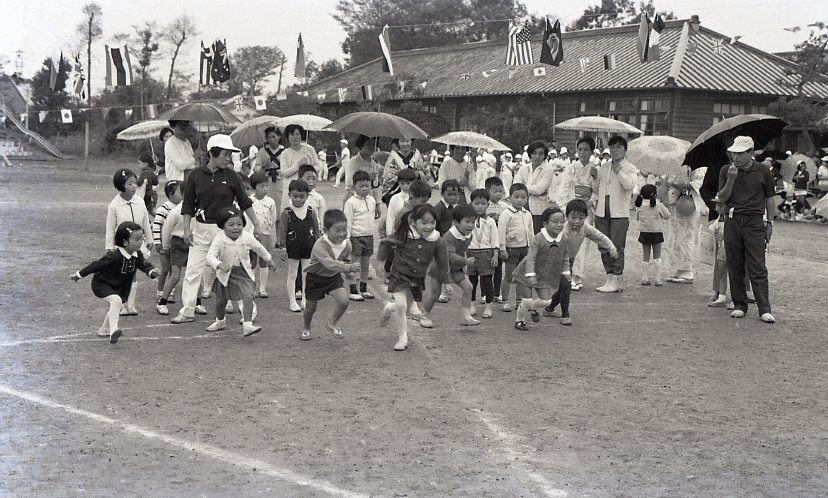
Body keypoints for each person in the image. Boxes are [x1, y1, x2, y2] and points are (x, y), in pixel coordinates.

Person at [170, 134, 263, 325]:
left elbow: (245, 202)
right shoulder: (195, 175)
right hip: (200, 230)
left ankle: (249, 312)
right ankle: (187, 311)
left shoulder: (232, 175)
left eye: (229, 155)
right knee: (193, 271)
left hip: (225, 232)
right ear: (212, 153)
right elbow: (188, 205)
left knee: (233, 271)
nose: (228, 158)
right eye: (225, 154)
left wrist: (257, 224)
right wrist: (186, 229)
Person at [717, 136, 776, 323]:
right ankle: (739, 305)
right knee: (735, 264)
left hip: (755, 221)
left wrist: (770, 223)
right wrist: (731, 180)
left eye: (740, 153)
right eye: (734, 153)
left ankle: (764, 309)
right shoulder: (726, 170)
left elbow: (769, 198)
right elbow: (722, 198)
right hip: (733, 219)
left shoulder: (763, 171)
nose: (736, 157)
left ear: (751, 153)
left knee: (757, 265)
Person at [70, 222, 160, 343]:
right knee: (116, 301)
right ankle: (113, 331)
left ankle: (104, 329)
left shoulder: (137, 255)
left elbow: (144, 265)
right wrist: (78, 275)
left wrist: (152, 272)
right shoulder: (114, 256)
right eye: (137, 239)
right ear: (125, 242)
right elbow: (95, 265)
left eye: (142, 239)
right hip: (102, 284)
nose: (140, 242)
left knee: (116, 303)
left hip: (118, 286)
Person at [377, 204, 448, 351]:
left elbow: (443, 263)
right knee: (401, 306)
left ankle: (389, 308)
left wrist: (447, 282)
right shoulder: (405, 234)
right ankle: (402, 338)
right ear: (414, 222)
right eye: (424, 222)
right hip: (399, 274)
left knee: (407, 307)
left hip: (417, 278)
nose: (429, 226)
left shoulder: (437, 240)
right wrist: (382, 262)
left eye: (432, 222)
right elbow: (386, 242)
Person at [542, 199, 617, 324]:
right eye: (573, 217)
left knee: (563, 288)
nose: (577, 221)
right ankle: (565, 316)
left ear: (586, 217)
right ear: (566, 217)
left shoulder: (585, 228)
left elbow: (599, 237)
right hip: (555, 260)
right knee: (566, 287)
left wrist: (611, 247)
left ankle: (549, 309)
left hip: (568, 261)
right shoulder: (563, 230)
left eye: (581, 218)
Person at [205, 208, 277, 336]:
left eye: (239, 224)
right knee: (221, 300)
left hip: (244, 273)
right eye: (231, 225)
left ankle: (248, 325)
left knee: (248, 296)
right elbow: (209, 257)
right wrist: (220, 265)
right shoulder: (219, 239)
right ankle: (220, 321)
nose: (236, 228)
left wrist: (269, 260)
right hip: (225, 275)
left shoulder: (247, 237)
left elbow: (259, 248)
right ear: (222, 225)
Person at [300, 209, 361, 341]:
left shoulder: (347, 244)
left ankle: (332, 323)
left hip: (333, 278)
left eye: (344, 230)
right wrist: (349, 267)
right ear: (325, 230)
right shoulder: (320, 245)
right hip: (315, 278)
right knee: (310, 308)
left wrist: (349, 273)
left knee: (344, 300)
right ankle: (306, 327)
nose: (342, 234)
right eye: (337, 230)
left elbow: (346, 259)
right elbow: (329, 264)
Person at [418, 203, 480, 329]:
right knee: (435, 295)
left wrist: (463, 264)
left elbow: (460, 251)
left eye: (473, 222)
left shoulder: (469, 235)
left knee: (468, 287)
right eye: (467, 222)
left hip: (455, 268)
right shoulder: (449, 237)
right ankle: (425, 315)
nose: (471, 225)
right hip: (440, 268)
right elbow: (449, 255)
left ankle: (465, 316)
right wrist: (465, 261)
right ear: (456, 222)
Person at [512, 207, 570, 330]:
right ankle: (519, 321)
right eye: (555, 221)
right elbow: (531, 257)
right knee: (527, 300)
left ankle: (532, 308)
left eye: (562, 222)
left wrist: (566, 272)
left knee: (547, 301)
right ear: (545, 224)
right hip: (526, 273)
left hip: (543, 275)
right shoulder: (538, 238)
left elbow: (565, 256)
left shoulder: (564, 238)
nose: (559, 225)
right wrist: (530, 274)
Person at [106, 168, 154, 316]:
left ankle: (131, 305)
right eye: (130, 184)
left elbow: (145, 222)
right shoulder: (114, 205)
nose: (134, 186)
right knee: (121, 274)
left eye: (134, 183)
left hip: (137, 244)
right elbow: (110, 228)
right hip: (122, 246)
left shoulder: (140, 201)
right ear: (121, 185)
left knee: (132, 273)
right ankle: (120, 305)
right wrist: (109, 247)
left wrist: (150, 239)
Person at [594, 135, 638, 293]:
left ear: (625, 150)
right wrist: (595, 178)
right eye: (612, 147)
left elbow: (629, 186)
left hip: (619, 212)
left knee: (617, 246)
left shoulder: (630, 168)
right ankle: (609, 277)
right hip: (602, 210)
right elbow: (596, 189)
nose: (615, 150)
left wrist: (619, 172)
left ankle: (617, 279)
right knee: (603, 245)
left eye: (619, 147)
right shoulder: (604, 166)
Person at [560, 137, 600, 291]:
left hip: (586, 209)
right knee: (568, 242)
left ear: (592, 151)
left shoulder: (595, 169)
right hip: (572, 206)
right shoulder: (571, 168)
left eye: (586, 149)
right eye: (580, 149)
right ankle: (568, 273)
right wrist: (569, 206)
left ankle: (577, 277)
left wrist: (595, 179)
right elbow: (564, 188)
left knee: (583, 243)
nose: (582, 152)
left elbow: (597, 192)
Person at [278, 179, 319, 312]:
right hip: (293, 248)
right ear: (289, 195)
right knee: (292, 274)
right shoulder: (286, 213)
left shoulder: (311, 211)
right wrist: (283, 247)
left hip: (309, 247)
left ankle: (305, 299)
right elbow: (282, 231)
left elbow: (317, 230)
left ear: (307, 196)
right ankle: (292, 301)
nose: (298, 199)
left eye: (302, 196)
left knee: (307, 274)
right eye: (295, 196)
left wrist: (319, 246)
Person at [497, 183, 533, 312]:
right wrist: (502, 248)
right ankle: (505, 301)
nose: (520, 200)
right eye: (516, 197)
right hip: (511, 248)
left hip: (525, 248)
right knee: (509, 275)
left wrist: (532, 247)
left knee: (521, 277)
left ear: (527, 198)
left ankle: (519, 301)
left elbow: (531, 232)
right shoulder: (506, 214)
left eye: (523, 197)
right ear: (510, 197)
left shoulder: (527, 214)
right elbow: (501, 232)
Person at [344, 170, 377, 301]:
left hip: (369, 236)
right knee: (354, 265)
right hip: (356, 237)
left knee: (365, 265)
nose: (365, 189)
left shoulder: (372, 200)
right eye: (361, 186)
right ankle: (353, 290)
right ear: (354, 186)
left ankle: (363, 289)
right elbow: (348, 221)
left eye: (367, 186)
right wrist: (347, 238)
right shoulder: (351, 202)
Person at [467, 189, 500, 319]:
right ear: (471, 204)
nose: (480, 206)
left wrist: (495, 255)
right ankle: (472, 305)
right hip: (471, 253)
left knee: (487, 282)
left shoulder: (491, 222)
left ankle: (488, 306)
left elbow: (495, 239)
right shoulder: (468, 221)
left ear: (488, 205)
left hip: (486, 253)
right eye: (476, 203)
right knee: (472, 282)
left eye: (483, 204)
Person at [248, 172, 278, 298]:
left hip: (266, 234)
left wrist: (271, 235)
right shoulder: (249, 201)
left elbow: (273, 218)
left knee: (264, 260)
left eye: (266, 185)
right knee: (252, 261)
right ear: (253, 188)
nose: (265, 189)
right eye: (261, 186)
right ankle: (252, 288)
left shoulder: (270, 202)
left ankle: (262, 289)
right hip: (251, 235)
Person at [514, 141, 555, 233]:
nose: (537, 156)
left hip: (539, 209)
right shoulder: (523, 168)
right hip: (522, 206)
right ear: (530, 154)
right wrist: (532, 189)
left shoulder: (548, 170)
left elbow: (539, 189)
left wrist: (523, 187)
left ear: (544, 155)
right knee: (522, 234)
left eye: (540, 154)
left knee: (536, 234)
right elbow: (515, 186)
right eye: (534, 153)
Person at [635, 184, 671, 286]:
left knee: (645, 256)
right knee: (657, 257)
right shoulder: (658, 205)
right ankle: (658, 279)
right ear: (654, 194)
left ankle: (644, 278)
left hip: (644, 232)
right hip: (656, 233)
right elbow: (667, 215)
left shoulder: (640, 205)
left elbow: (637, 218)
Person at [278, 124, 318, 213]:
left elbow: (318, 166)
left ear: (301, 135)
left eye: (297, 134)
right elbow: (284, 173)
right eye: (292, 134)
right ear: (288, 137)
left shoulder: (309, 149)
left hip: (306, 187)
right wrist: (298, 165)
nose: (295, 137)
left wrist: (309, 167)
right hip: (290, 188)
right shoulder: (285, 153)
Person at [485, 177, 509, 301]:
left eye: (501, 191)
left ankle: (496, 293)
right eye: (495, 191)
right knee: (486, 269)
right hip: (486, 241)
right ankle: (485, 293)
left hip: (499, 241)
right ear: (487, 190)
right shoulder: (484, 205)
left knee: (498, 268)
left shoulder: (505, 207)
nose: (498, 194)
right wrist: (489, 217)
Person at [382, 138, 427, 204]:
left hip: (415, 193)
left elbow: (425, 172)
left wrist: (418, 174)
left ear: (411, 141)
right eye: (402, 141)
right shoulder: (393, 157)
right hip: (396, 192)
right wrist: (403, 176)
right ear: (398, 143)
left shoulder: (417, 156)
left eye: (408, 141)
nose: (405, 144)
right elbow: (387, 176)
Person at [343, 134, 381, 204]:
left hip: (369, 201)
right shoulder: (353, 162)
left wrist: (377, 203)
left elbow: (375, 187)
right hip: (354, 200)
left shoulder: (374, 165)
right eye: (368, 144)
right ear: (362, 145)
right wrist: (367, 177)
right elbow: (349, 183)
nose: (371, 147)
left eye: (373, 144)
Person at [708, 197, 729, 307]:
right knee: (722, 274)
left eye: (721, 205)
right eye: (717, 205)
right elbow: (711, 229)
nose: (718, 208)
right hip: (722, 249)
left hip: (731, 249)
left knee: (734, 274)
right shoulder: (718, 220)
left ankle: (737, 298)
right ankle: (721, 296)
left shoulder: (731, 219)